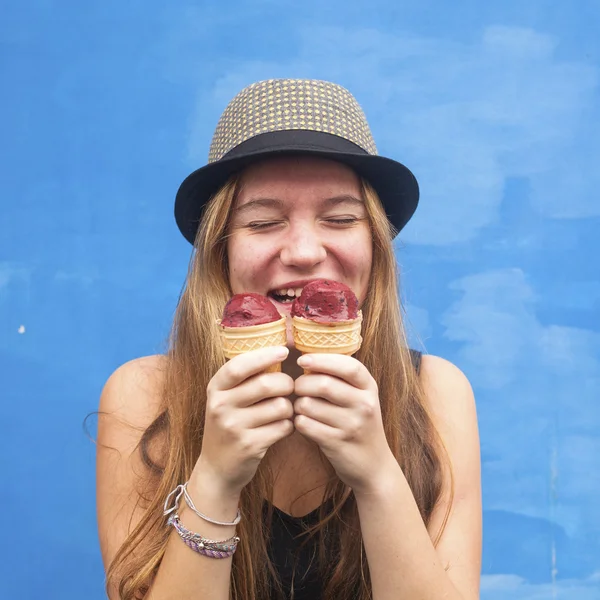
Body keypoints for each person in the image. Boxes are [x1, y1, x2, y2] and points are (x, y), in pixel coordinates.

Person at [96, 78, 482, 600]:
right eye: (264, 222)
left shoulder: (436, 393)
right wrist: (215, 477)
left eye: (341, 218)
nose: (303, 251)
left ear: (375, 247)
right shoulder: (144, 397)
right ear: (221, 252)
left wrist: (376, 476)